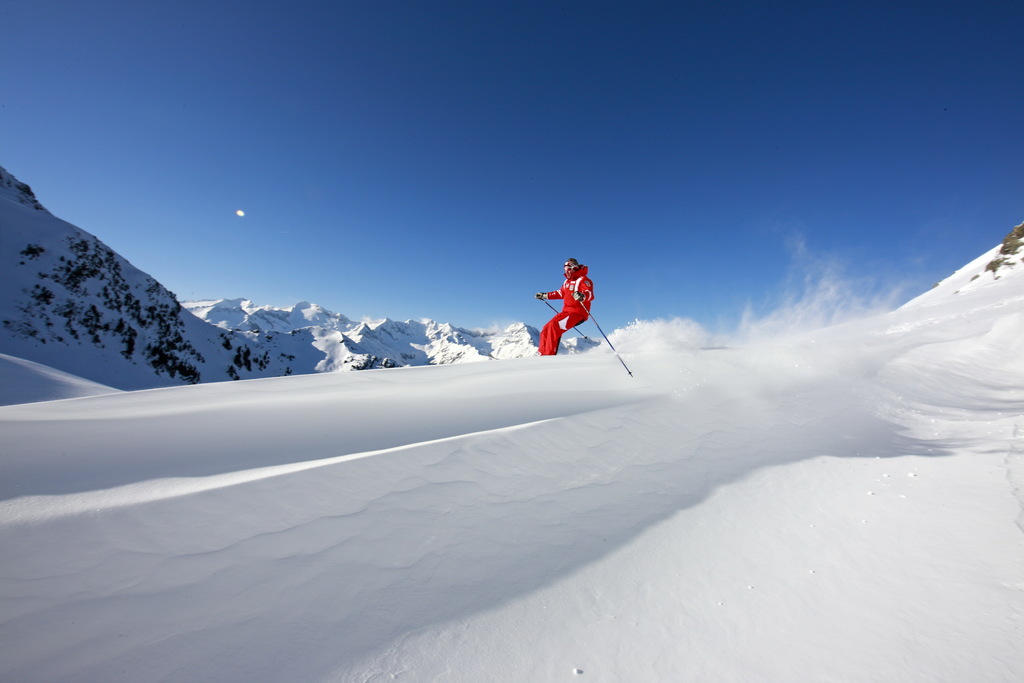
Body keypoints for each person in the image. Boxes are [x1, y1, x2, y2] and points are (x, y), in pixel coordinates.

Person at [535, 258, 594, 356]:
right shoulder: (566, 281)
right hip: (566, 312)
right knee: (546, 328)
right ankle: (542, 353)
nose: (566, 271)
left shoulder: (583, 279)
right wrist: (545, 295)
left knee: (554, 327)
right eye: (565, 268)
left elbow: (590, 293)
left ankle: (548, 356)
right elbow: (560, 293)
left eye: (568, 268)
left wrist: (582, 296)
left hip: (577, 313)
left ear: (574, 267)